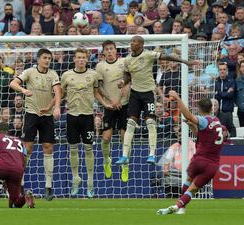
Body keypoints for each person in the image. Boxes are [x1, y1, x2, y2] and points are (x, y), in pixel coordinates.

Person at [115, 36, 199, 182]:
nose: (131, 43)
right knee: (130, 124)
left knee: (150, 123)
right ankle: (124, 155)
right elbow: (127, 75)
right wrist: (123, 82)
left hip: (148, 93)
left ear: (141, 45)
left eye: (134, 41)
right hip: (135, 94)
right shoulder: (127, 59)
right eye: (131, 41)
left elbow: (167, 56)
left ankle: (152, 154)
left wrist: (185, 62)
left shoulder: (148, 55)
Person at [157, 90, 224, 215]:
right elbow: (204, 136)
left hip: (199, 160)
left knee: (188, 181)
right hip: (212, 165)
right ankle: (179, 206)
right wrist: (192, 127)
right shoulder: (218, 122)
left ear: (199, 109)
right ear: (212, 108)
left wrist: (177, 98)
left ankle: (180, 208)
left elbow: (188, 116)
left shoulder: (205, 121)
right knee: (192, 190)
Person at [9, 48, 61, 201]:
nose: (47, 60)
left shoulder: (53, 74)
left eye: (49, 58)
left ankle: (48, 187)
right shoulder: (29, 72)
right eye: (44, 58)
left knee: (48, 147)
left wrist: (55, 107)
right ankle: (21, 185)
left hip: (47, 114)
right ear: (38, 59)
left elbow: (58, 91)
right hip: (31, 113)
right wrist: (23, 90)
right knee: (27, 148)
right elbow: (13, 83)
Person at [61, 48, 108, 198]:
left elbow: (96, 93)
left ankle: (90, 181)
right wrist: (51, 107)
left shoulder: (93, 75)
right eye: (79, 57)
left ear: (87, 59)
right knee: (73, 148)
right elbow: (60, 94)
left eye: (84, 58)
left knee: (88, 149)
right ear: (74, 59)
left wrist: (105, 104)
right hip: (72, 116)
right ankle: (76, 178)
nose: (81, 60)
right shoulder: (66, 75)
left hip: (88, 116)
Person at [0, 122, 35, 208]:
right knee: (14, 204)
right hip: (18, 170)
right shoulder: (20, 141)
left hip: (2, 167)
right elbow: (24, 160)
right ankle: (25, 197)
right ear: (7, 131)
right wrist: (10, 177)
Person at [95, 40, 129, 179]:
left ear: (116, 50)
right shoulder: (100, 66)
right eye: (107, 49)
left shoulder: (123, 62)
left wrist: (120, 100)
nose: (109, 51)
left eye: (111, 49)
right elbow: (99, 88)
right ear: (103, 52)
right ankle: (106, 160)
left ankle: (125, 164)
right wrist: (110, 100)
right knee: (106, 138)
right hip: (109, 106)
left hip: (124, 104)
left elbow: (128, 81)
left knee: (124, 138)